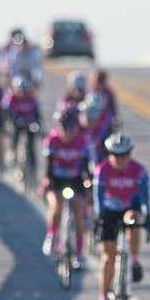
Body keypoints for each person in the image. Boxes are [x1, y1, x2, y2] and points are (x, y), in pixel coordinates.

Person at [92, 133, 150, 300]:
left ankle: (134, 260)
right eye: (116, 155)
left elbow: (144, 199)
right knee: (108, 257)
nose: (120, 159)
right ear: (109, 154)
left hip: (129, 209)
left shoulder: (139, 171)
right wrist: (98, 219)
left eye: (125, 155)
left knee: (134, 220)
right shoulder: (102, 170)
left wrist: (148, 216)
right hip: (108, 212)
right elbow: (98, 200)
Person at [41, 106, 91, 268]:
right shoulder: (52, 140)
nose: (68, 133)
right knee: (56, 206)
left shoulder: (82, 141)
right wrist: (47, 180)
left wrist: (88, 181)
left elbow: (85, 166)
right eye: (64, 128)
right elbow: (48, 165)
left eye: (71, 129)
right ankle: (51, 236)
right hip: (57, 179)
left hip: (75, 179)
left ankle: (80, 252)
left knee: (78, 212)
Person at [1, 75, 41, 168]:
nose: (24, 93)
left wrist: (39, 126)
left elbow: (37, 114)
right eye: (22, 90)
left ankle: (32, 166)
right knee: (15, 133)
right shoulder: (11, 97)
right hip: (16, 121)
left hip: (29, 122)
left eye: (26, 91)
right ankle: (12, 150)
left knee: (31, 145)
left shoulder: (32, 99)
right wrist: (8, 122)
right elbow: (6, 112)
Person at [81, 69, 120, 165]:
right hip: (91, 125)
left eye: (102, 81)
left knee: (107, 147)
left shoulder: (109, 92)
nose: (100, 84)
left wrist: (115, 119)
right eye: (98, 81)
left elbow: (113, 107)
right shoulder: (89, 91)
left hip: (105, 125)